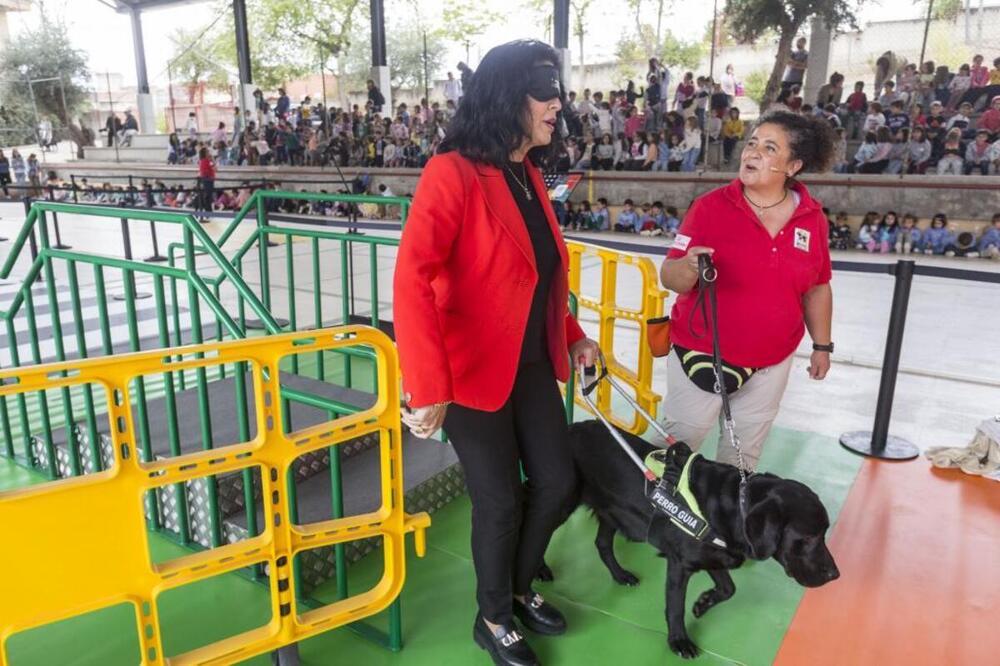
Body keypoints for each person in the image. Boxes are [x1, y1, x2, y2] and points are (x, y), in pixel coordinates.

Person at [392, 40, 600, 666]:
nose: (556, 102)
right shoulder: (452, 171)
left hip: (531, 362)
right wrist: (427, 385)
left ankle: (517, 582)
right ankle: (493, 615)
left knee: (559, 482)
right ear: (507, 97)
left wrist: (571, 335)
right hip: (468, 371)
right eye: (544, 89)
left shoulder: (528, 173)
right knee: (500, 500)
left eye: (556, 89)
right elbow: (412, 278)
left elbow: (533, 274)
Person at [659, 110, 835, 470]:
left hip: (772, 361)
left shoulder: (812, 218)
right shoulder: (710, 207)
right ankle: (647, 512)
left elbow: (817, 287)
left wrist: (821, 345)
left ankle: (727, 519)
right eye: (752, 143)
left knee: (743, 455)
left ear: (793, 165)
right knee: (679, 443)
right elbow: (669, 276)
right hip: (703, 354)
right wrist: (689, 266)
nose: (752, 153)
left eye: (769, 148)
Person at [196, 146, 215, 224]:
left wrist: (212, 161)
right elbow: (205, 172)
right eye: (207, 152)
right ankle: (207, 213)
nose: (208, 153)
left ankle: (208, 212)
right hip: (207, 180)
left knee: (208, 196)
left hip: (210, 180)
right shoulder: (204, 161)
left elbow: (214, 168)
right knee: (207, 196)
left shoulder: (207, 160)